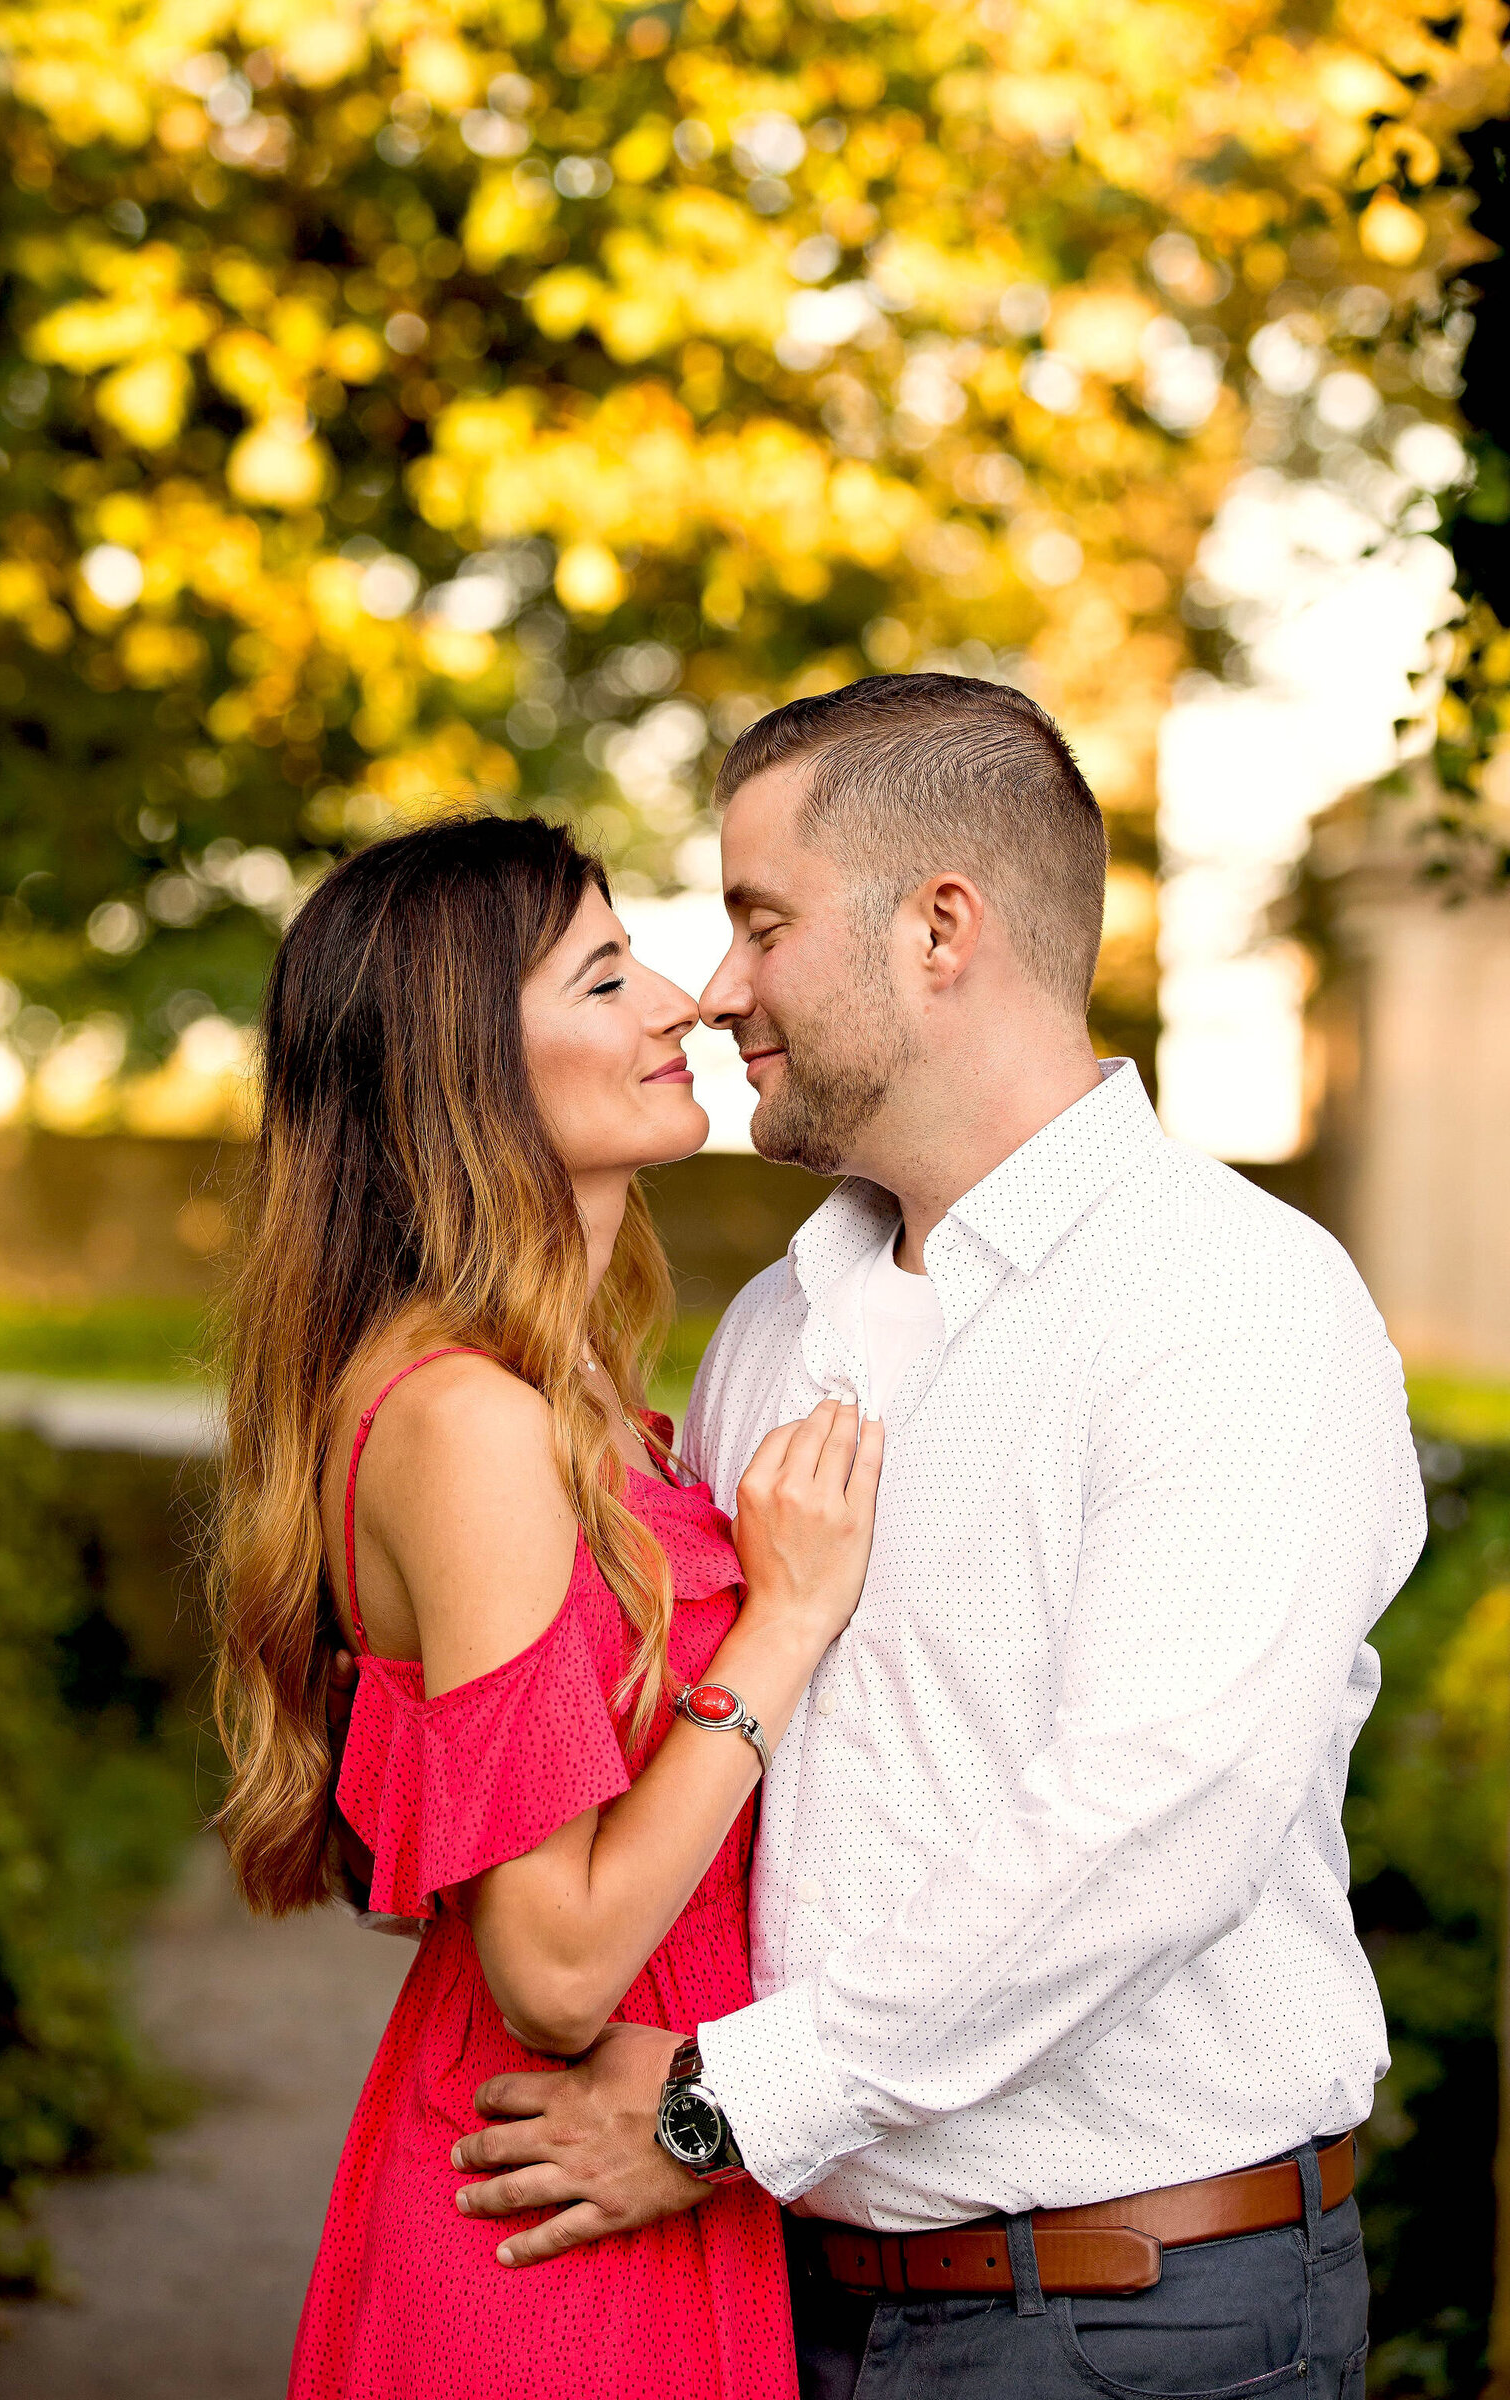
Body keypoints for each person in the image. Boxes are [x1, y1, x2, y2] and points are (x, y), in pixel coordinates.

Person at [451, 673, 1428, 2400]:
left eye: (761, 922)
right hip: (779, 2288)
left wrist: (710, 2107)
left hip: (1127, 2314)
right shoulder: (775, 1321)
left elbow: (1152, 1825)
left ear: (939, 929)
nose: (720, 987)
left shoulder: (1227, 1300)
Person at [206, 814, 884, 2400]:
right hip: (550, 2216)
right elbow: (557, 1964)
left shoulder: (558, 1400)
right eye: (603, 977)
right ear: (466, 1071)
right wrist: (781, 1629)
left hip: (630, 2162)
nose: (678, 1003)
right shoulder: (468, 1423)